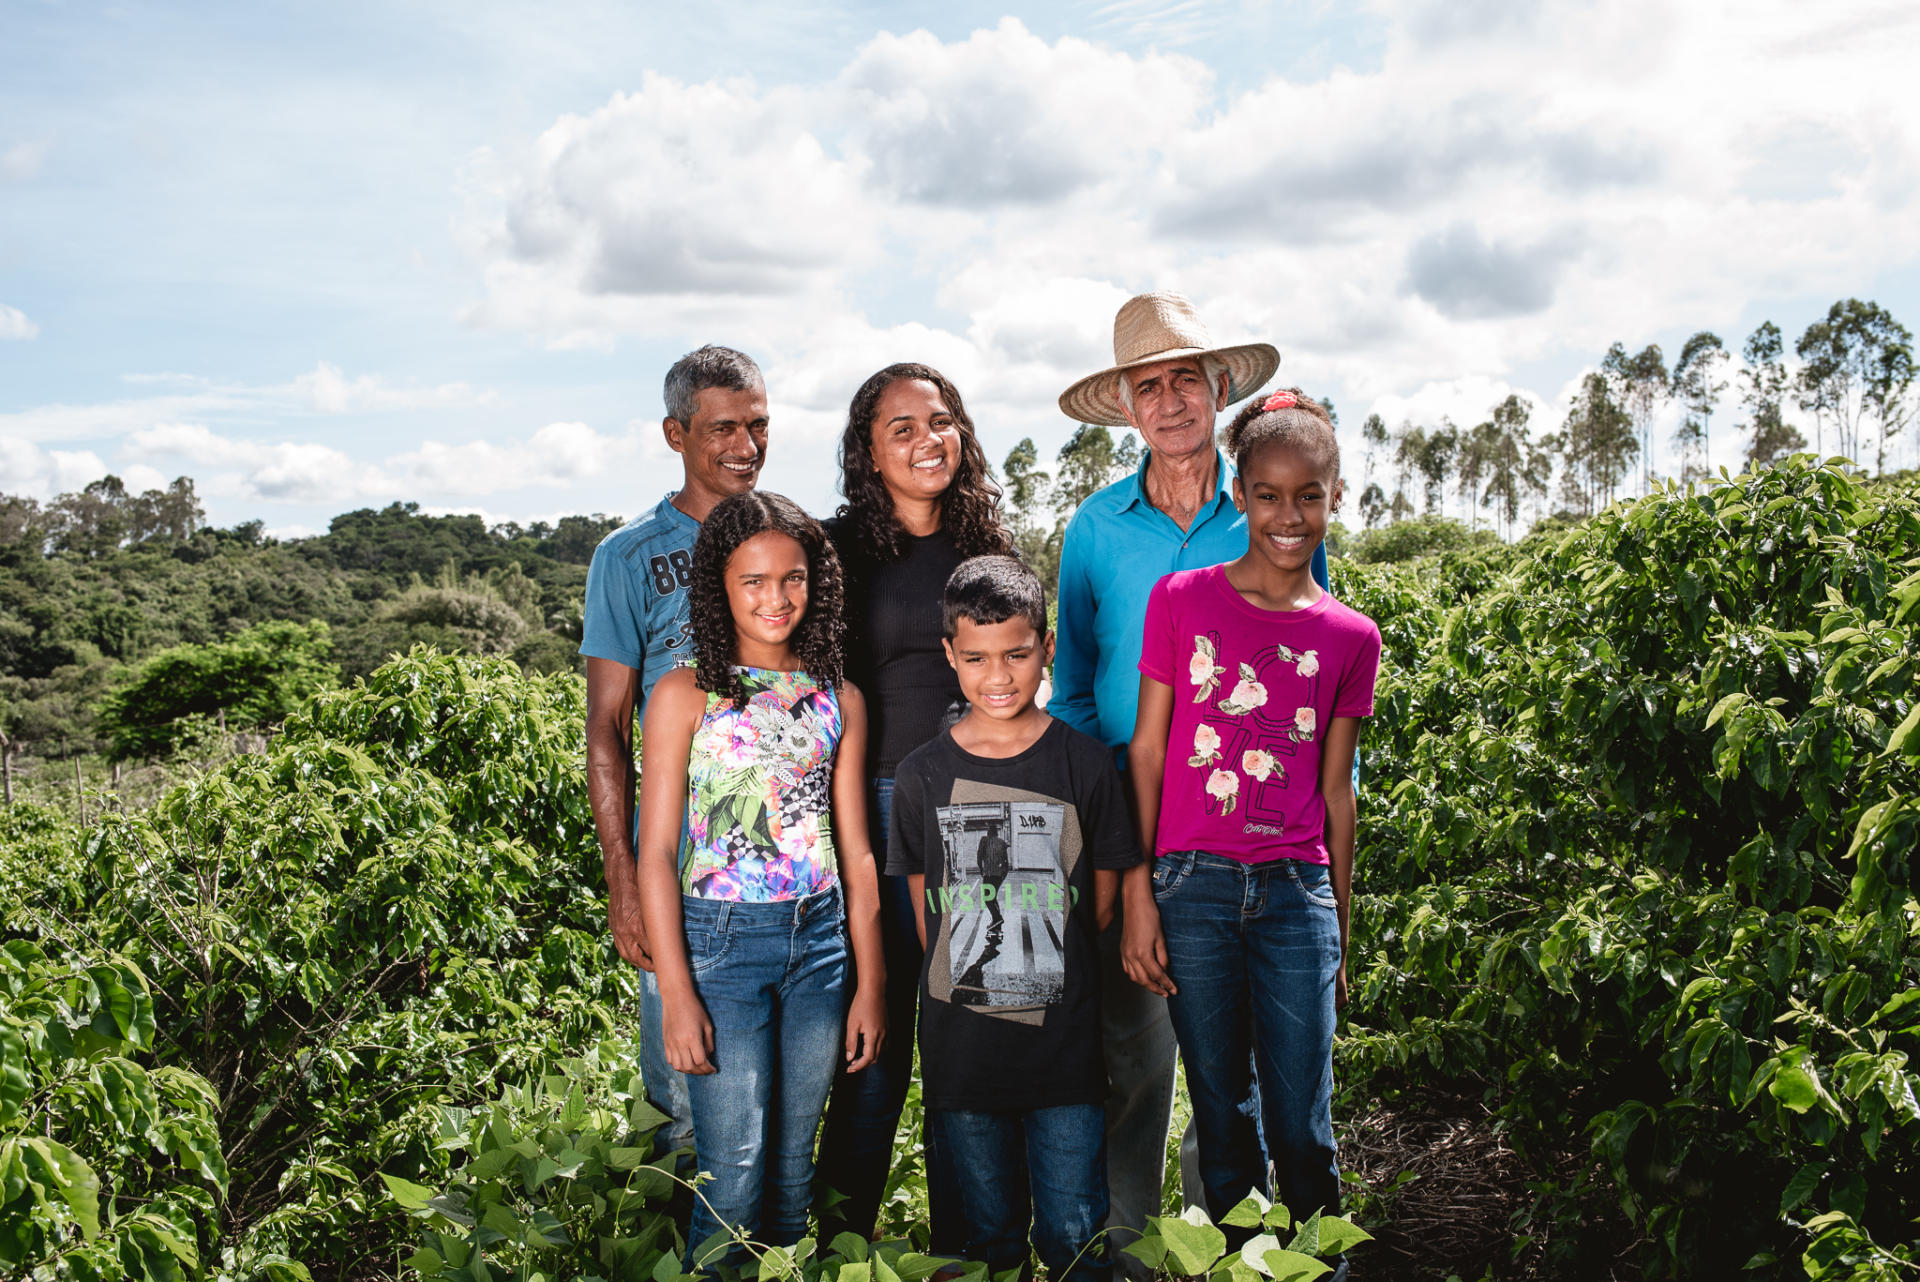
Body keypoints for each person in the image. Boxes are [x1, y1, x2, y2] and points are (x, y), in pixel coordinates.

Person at [1053, 292, 1327, 1267]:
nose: (1168, 401)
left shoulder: (1268, 508)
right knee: (1133, 1070)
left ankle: (1226, 1257)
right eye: (1147, 385)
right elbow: (1078, 700)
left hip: (1249, 844)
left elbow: (1307, 673)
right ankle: (1126, 1259)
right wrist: (1116, 861)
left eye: (1184, 379)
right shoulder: (1095, 532)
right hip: (1136, 836)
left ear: (1217, 389)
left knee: (1235, 1086)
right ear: (1126, 405)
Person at [1122, 391, 1378, 1272]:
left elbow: (1337, 793)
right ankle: (1238, 1268)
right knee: (1223, 1112)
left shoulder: (1350, 637)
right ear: (1240, 493)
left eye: (1308, 495)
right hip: (1189, 888)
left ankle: (1319, 1267)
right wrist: (1141, 895)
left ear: (1334, 496)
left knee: (1303, 1120)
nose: (1287, 515)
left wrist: (1338, 927)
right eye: (1267, 494)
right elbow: (1150, 752)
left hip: (1294, 894)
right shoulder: (1182, 599)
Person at [633, 491, 887, 1266]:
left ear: (817, 582)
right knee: (733, 1180)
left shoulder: (838, 697)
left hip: (820, 945)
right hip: (719, 948)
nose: (776, 599)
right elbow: (654, 854)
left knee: (788, 1179)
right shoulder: (684, 694)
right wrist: (676, 994)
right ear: (719, 585)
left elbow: (857, 852)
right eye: (753, 581)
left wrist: (870, 985)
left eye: (793, 578)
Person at [888, 556, 1141, 1282]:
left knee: (1073, 1231)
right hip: (963, 1059)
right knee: (989, 1237)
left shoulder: (1085, 766)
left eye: (1016, 655)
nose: (997, 676)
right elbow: (927, 919)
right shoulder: (921, 776)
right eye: (975, 658)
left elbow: (1097, 905)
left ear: (1048, 647)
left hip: (1064, 1056)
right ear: (949, 656)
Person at [816, 363, 1013, 1246]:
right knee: (877, 1038)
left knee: (972, 1045)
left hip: (982, 811)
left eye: (941, 421)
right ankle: (839, 1245)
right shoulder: (835, 551)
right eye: (901, 427)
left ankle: (967, 1254)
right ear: (868, 451)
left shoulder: (989, 552)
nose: (927, 438)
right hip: (881, 805)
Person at [582, 345, 771, 1162]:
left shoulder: (788, 540)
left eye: (758, 425)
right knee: (686, 1113)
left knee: (779, 1109)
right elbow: (605, 731)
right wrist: (624, 881)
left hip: (788, 869)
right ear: (675, 433)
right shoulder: (626, 558)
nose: (746, 445)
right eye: (722, 427)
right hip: (679, 871)